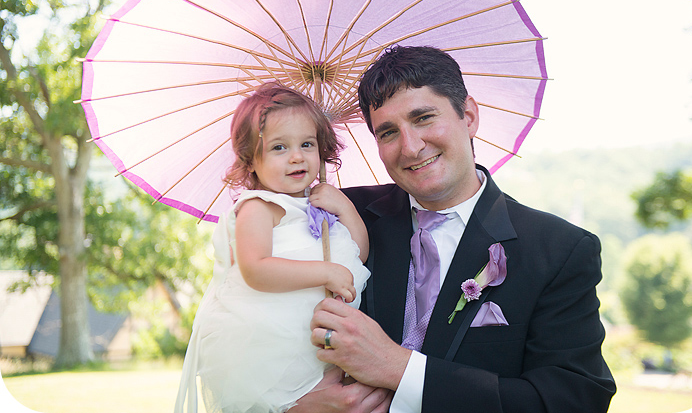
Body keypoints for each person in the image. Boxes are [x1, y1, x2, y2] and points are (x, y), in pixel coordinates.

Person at [291, 46, 616, 413]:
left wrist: (400, 369)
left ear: (469, 116)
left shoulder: (558, 250)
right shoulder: (335, 221)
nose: (410, 147)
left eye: (423, 118)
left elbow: (573, 401)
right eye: (388, 133)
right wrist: (292, 409)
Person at [175, 83, 371, 413]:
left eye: (307, 144)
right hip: (272, 341)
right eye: (279, 147)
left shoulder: (320, 203)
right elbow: (256, 269)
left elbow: (357, 256)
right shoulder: (258, 207)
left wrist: (345, 209)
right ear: (251, 160)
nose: (297, 156)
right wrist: (324, 272)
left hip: (322, 336)